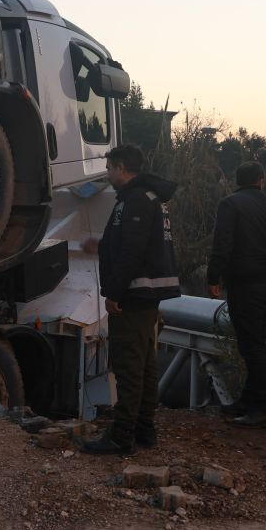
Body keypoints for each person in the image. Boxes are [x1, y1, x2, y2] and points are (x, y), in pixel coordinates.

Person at [81, 144, 181, 456]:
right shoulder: (148, 199)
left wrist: (114, 293)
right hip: (145, 296)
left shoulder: (136, 200)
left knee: (128, 367)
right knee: (146, 366)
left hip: (133, 297)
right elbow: (132, 242)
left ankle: (122, 436)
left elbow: (132, 251)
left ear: (122, 167)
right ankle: (144, 431)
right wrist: (101, 244)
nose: (108, 174)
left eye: (110, 168)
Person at [207, 161, 266, 428]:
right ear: (261, 180)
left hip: (245, 285)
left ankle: (263, 407)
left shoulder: (230, 205)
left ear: (236, 181)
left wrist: (213, 277)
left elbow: (222, 243)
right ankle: (248, 400)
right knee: (255, 342)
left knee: (251, 346)